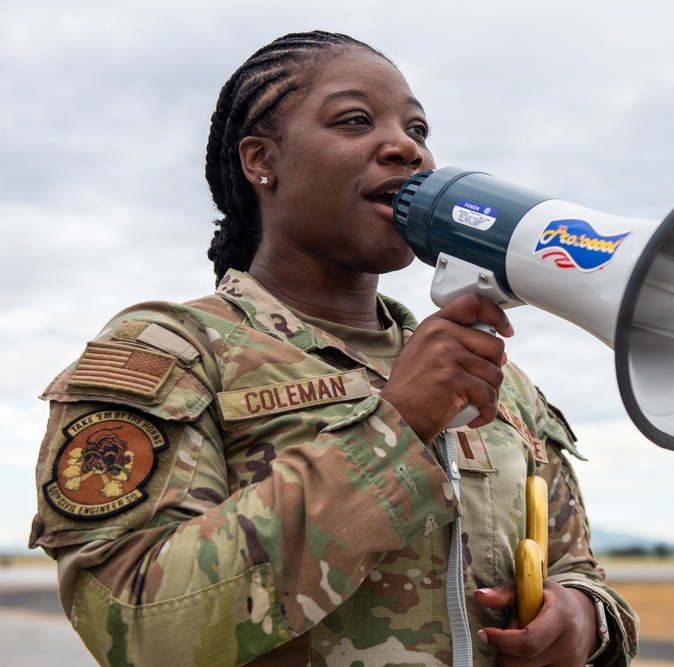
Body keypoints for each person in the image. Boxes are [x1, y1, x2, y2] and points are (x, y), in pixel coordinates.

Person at [29, 31, 638, 666]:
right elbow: (137, 628)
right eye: (354, 121)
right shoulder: (174, 354)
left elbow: (577, 568)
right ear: (261, 159)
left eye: (419, 129)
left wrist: (584, 622)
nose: (406, 147)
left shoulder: (496, 381)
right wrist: (396, 431)